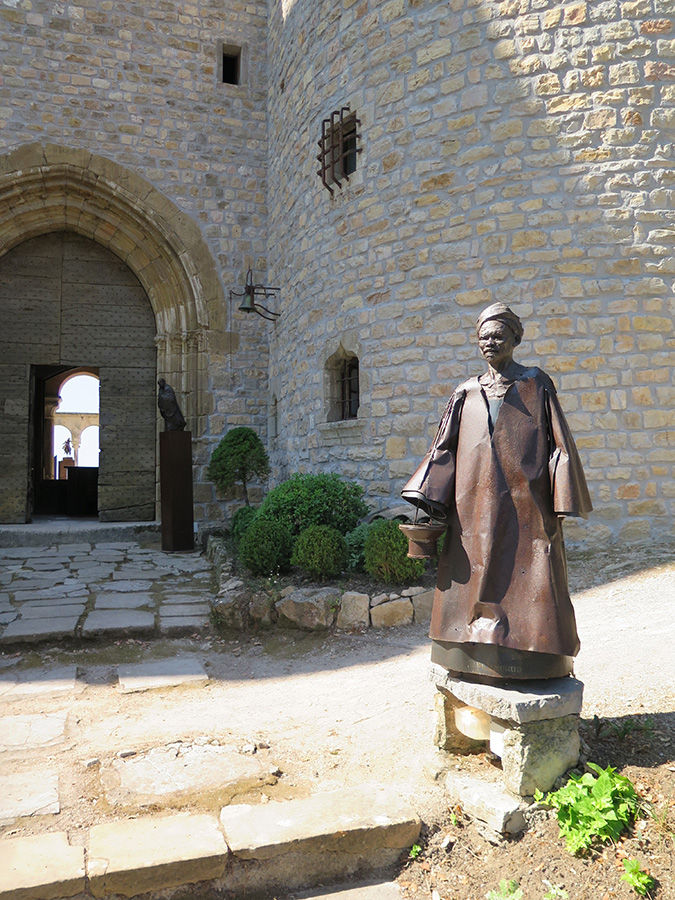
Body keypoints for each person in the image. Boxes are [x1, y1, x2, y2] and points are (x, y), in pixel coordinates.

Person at [402, 303, 592, 681]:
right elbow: (443, 449)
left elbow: (560, 444)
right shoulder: (466, 392)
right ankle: (466, 655)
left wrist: (562, 499)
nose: (490, 342)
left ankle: (537, 658)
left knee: (535, 575)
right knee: (471, 577)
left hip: (529, 506)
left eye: (498, 335)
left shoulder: (535, 384)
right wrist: (426, 498)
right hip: (471, 505)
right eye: (483, 337)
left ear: (515, 339)